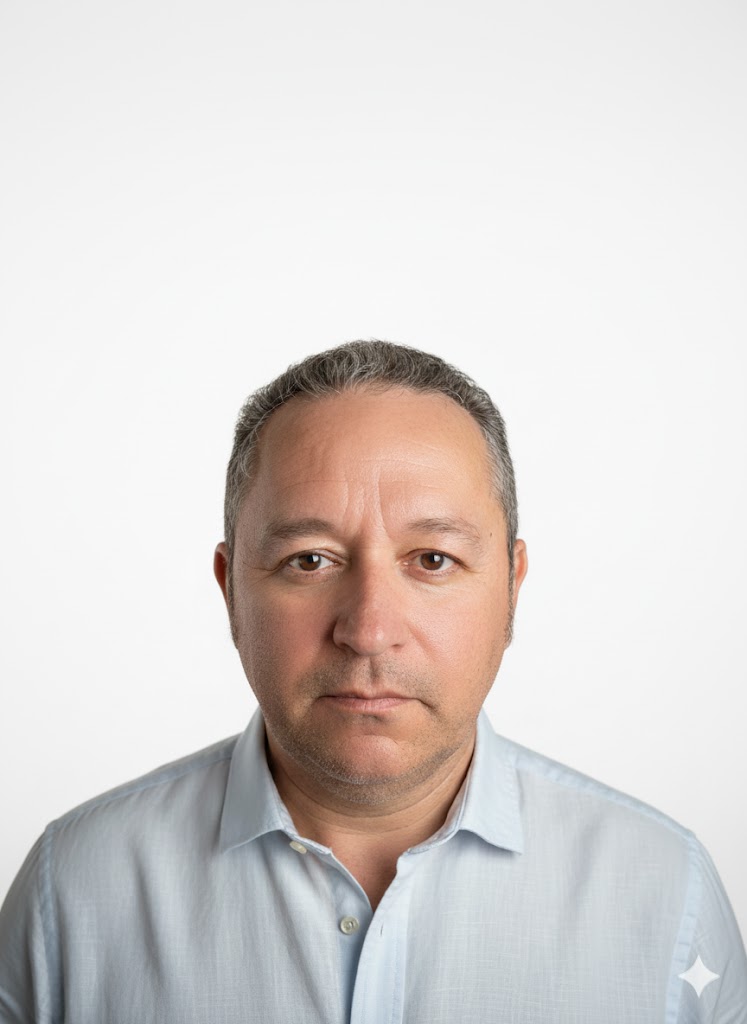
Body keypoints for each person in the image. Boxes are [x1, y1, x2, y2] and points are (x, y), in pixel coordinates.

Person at [0, 340, 745, 1024]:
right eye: (310, 560)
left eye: (432, 560)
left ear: (511, 589)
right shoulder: (73, 892)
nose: (368, 628)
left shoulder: (665, 893)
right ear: (230, 592)